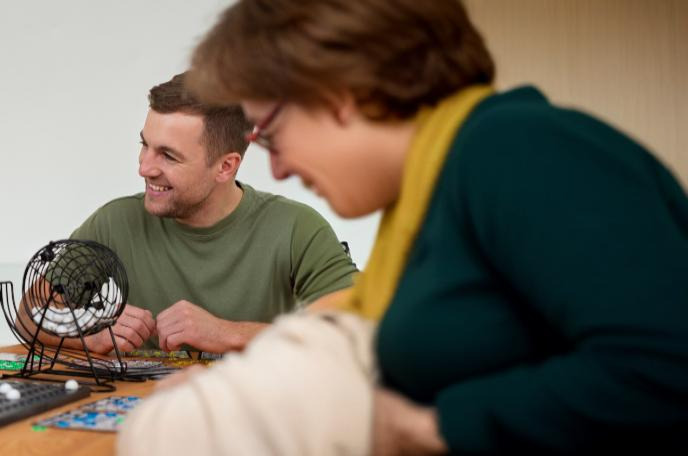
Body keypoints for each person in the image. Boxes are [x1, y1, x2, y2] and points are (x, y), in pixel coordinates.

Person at [121, 0, 688, 454]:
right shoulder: (427, 200)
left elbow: (664, 366)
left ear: (338, 91)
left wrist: (425, 430)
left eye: (269, 134)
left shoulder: (517, 149)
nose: (278, 167)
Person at [25, 73, 356, 356]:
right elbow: (29, 315)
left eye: (168, 155)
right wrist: (87, 333)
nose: (144, 167)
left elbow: (358, 334)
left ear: (225, 167)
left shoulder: (296, 228)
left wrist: (226, 334)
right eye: (145, 145)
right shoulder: (114, 223)